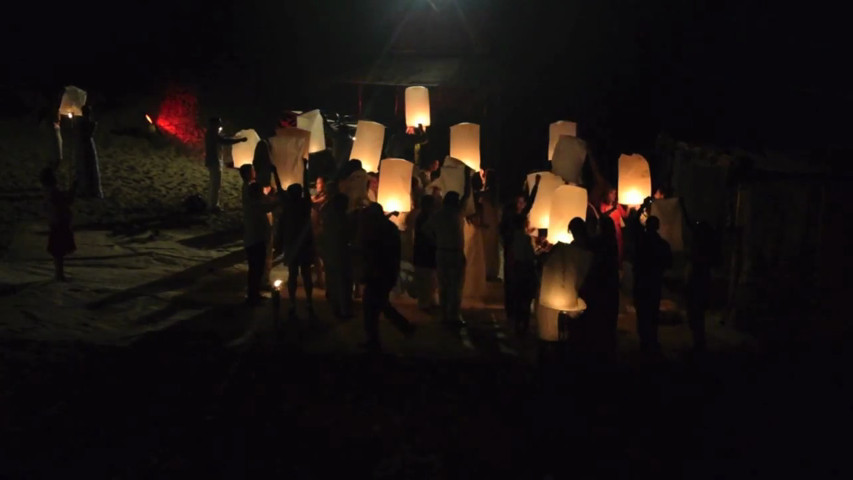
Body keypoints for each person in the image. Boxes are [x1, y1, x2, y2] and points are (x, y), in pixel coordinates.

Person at [361, 203, 416, 352]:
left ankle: (373, 340)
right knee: (381, 305)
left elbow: (373, 252)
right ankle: (405, 327)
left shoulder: (378, 229)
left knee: (371, 307)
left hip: (378, 273)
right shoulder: (389, 228)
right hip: (386, 273)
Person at [424, 189, 469, 328]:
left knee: (443, 285)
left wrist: (436, 240)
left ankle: (444, 315)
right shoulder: (458, 213)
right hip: (455, 252)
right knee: (456, 285)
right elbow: (466, 197)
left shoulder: (437, 215)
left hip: (442, 252)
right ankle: (453, 315)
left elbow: (426, 230)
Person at [499, 174, 541, 322]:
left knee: (513, 284)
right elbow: (530, 205)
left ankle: (513, 311)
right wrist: (536, 186)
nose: (522, 205)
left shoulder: (513, 220)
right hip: (515, 256)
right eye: (520, 202)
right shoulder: (515, 218)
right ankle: (515, 312)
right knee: (515, 283)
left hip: (514, 254)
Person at [680, 198, 720, 352]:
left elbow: (691, 226)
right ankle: (699, 344)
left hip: (697, 285)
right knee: (697, 317)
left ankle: (699, 346)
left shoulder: (700, 254)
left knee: (696, 317)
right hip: (700, 284)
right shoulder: (705, 250)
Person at [633, 216, 672, 354]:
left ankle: (645, 341)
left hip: (642, 282)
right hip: (653, 283)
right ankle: (652, 340)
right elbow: (669, 263)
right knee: (652, 312)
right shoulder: (662, 244)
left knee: (643, 313)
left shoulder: (641, 242)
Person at [240, 165, 277, 306]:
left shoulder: (250, 197)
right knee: (256, 268)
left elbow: (264, 201)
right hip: (256, 240)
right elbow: (269, 205)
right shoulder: (256, 204)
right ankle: (253, 295)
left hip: (251, 239)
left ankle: (253, 293)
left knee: (254, 269)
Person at [280, 183, 316, 318]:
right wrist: (305, 171)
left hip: (292, 244)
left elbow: (279, 190)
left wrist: (275, 173)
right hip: (305, 244)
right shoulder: (305, 204)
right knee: (306, 274)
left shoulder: (288, 206)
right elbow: (306, 191)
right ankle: (309, 301)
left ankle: (292, 303)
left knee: (292, 275)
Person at [40, 166, 77, 281]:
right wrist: (73, 189)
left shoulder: (48, 192)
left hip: (55, 223)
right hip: (59, 223)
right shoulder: (53, 193)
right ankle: (59, 275)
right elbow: (67, 201)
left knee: (58, 251)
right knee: (59, 251)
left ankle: (59, 274)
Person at [205, 117, 247, 213]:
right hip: (214, 161)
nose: (219, 126)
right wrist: (239, 140)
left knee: (214, 183)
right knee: (216, 184)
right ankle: (213, 206)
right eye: (218, 124)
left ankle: (212, 204)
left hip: (213, 160)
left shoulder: (210, 133)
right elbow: (224, 141)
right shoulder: (212, 134)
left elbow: (223, 139)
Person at [322, 193, 353, 318]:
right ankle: (343, 310)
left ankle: (336, 308)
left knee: (333, 281)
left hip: (330, 252)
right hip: (340, 253)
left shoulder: (328, 217)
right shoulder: (343, 218)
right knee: (342, 283)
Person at [413, 194, 438, 311]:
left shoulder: (424, 217)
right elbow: (425, 233)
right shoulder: (423, 217)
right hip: (425, 250)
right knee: (425, 278)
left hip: (425, 251)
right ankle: (424, 302)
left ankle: (429, 300)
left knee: (429, 277)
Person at [74, 106, 103, 199]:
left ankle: (86, 189)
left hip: (84, 146)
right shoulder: (86, 123)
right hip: (86, 145)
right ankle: (87, 189)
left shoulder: (83, 123)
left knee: (85, 165)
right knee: (87, 166)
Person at [600, 187, 628, 266]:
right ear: (607, 194)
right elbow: (603, 216)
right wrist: (613, 209)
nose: (614, 195)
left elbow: (625, 216)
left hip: (618, 233)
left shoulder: (617, 205)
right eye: (612, 193)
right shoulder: (603, 205)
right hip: (609, 233)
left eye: (615, 193)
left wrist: (629, 206)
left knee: (620, 250)